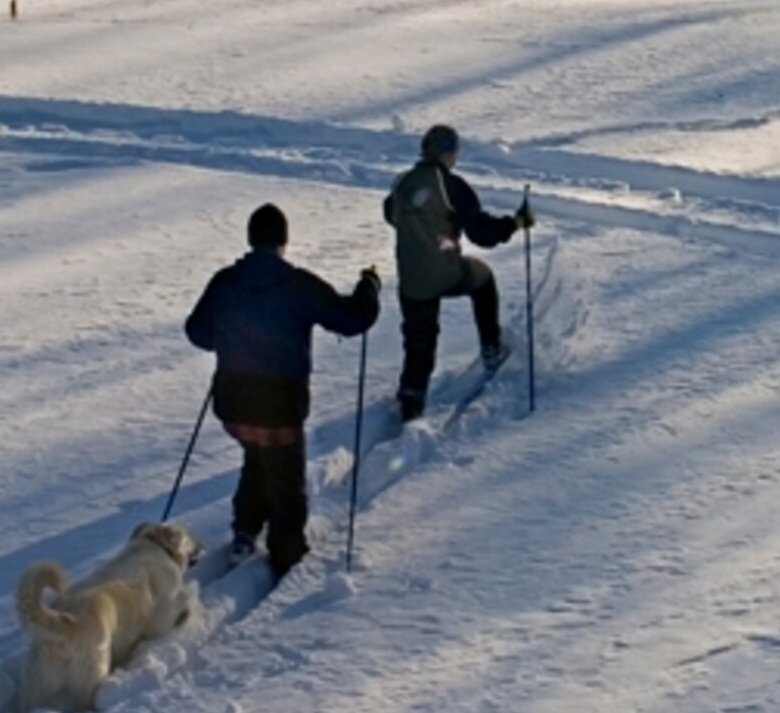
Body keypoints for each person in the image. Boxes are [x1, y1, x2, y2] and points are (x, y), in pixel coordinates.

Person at [183, 203, 380, 581]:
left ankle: (244, 531)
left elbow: (198, 333)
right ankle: (286, 553)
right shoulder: (298, 284)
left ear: (250, 240)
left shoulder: (225, 281)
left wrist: (229, 334)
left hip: (233, 404)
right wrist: (368, 286)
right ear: (283, 242)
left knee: (257, 455)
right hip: (280, 405)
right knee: (285, 475)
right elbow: (354, 319)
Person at [383, 123, 534, 422]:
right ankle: (491, 348)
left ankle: (411, 400)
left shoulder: (401, 183)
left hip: (410, 278)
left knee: (419, 340)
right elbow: (481, 233)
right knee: (483, 278)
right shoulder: (451, 185)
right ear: (448, 153)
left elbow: (391, 214)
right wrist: (515, 223)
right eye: (454, 152)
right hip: (445, 271)